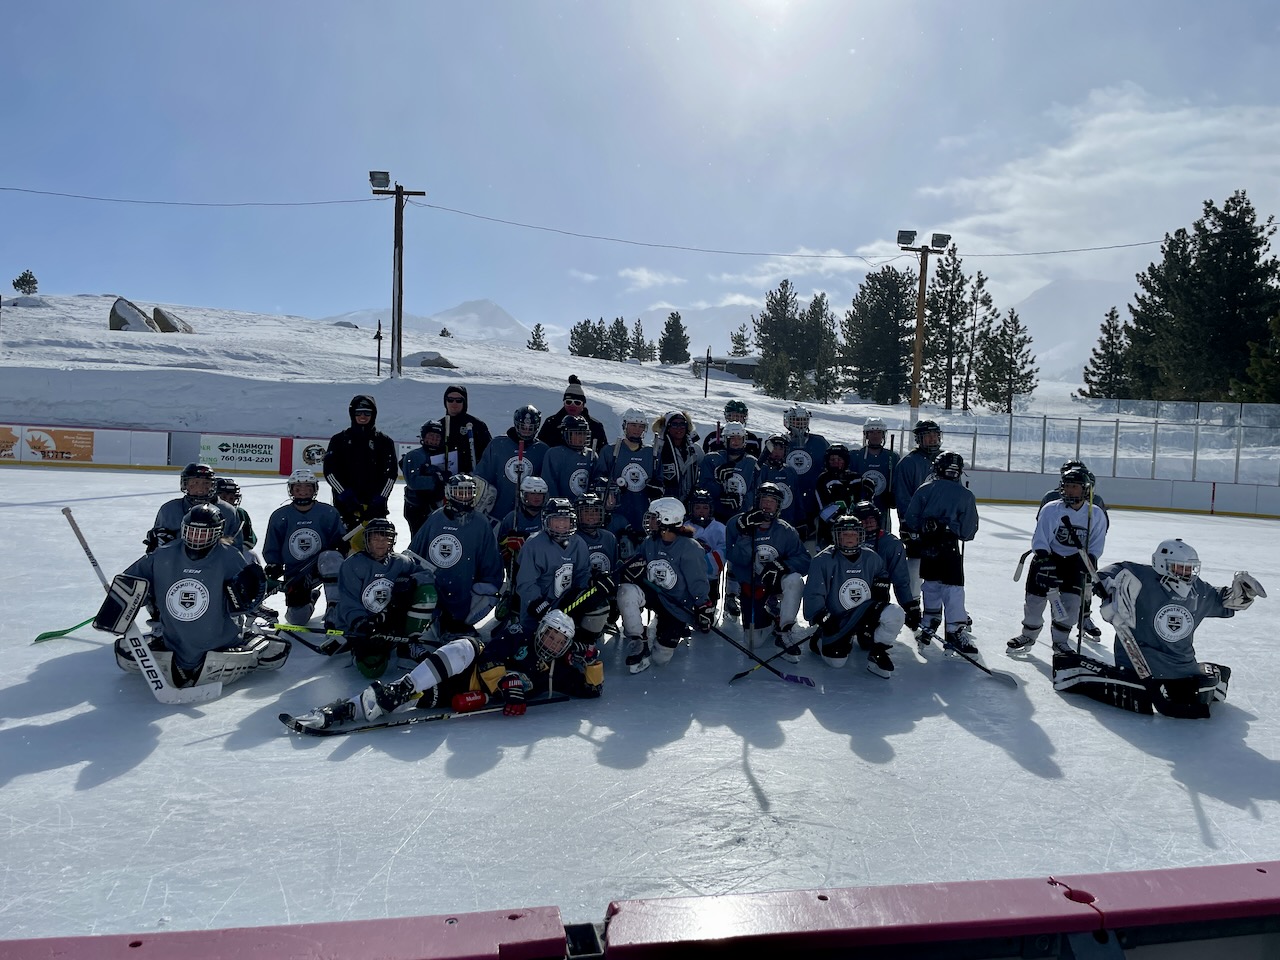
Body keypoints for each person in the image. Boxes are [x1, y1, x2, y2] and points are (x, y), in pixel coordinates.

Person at [1052, 540, 1266, 719]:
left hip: (1181, 668)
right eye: (1181, 568)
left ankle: (1210, 673)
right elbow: (1111, 572)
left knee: (1194, 696)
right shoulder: (1141, 577)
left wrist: (1241, 594)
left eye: (1190, 568)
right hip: (1136, 664)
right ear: (1163, 564)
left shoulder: (1198, 590)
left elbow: (1223, 601)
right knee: (1136, 691)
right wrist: (1110, 586)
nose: (1187, 574)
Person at [291, 609, 601, 730]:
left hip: (468, 693)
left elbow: (590, 690)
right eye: (550, 634)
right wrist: (504, 683)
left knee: (399, 702)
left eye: (560, 641)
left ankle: (346, 710)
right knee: (464, 646)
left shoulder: (557, 670)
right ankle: (405, 685)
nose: (552, 643)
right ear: (541, 630)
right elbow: (491, 654)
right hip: (470, 667)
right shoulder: (521, 633)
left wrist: (592, 663)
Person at [103, 503, 285, 689]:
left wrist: (250, 601)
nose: (196, 538)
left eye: (203, 533)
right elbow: (131, 582)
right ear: (183, 529)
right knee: (124, 650)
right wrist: (118, 605)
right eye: (192, 531)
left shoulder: (230, 557)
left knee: (277, 652)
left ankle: (242, 644)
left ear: (217, 533)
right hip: (172, 642)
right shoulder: (164, 553)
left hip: (221, 642)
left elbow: (249, 596)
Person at [1008, 464, 1108, 657]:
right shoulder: (1051, 509)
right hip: (1048, 558)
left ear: (1085, 490)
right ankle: (1028, 635)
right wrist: (1044, 560)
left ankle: (1060, 642)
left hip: (1075, 562)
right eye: (1067, 486)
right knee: (1035, 601)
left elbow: (1096, 543)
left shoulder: (1095, 514)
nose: (1069, 490)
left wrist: (1090, 561)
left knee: (1071, 604)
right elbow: (1041, 538)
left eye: (1074, 486)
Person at [331, 517, 437, 679]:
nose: (381, 543)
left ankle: (408, 644)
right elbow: (348, 602)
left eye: (385, 538)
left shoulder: (400, 561)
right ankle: (363, 648)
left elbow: (427, 575)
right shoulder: (352, 565)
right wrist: (361, 623)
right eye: (376, 538)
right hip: (364, 626)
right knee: (372, 669)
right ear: (367, 540)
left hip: (389, 620)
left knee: (426, 591)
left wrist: (412, 581)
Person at [616, 497, 712, 673]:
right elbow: (637, 563)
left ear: (666, 519)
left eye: (654, 517)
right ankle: (638, 639)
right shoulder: (650, 542)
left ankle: (674, 630)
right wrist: (630, 570)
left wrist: (702, 606)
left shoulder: (690, 547)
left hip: (676, 604)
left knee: (660, 659)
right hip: (654, 594)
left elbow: (697, 580)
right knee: (626, 591)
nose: (649, 521)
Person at [803, 514, 905, 677]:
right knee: (837, 662)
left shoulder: (871, 557)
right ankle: (819, 639)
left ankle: (878, 651)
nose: (849, 538)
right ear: (837, 536)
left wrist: (881, 584)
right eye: (845, 534)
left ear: (860, 536)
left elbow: (882, 574)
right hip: (837, 619)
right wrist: (821, 616)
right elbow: (813, 593)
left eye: (853, 534)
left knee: (895, 613)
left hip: (864, 613)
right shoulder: (822, 560)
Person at [901, 450, 979, 653]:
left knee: (931, 584)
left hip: (928, 546)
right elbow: (968, 531)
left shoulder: (925, 489)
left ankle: (929, 621)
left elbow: (911, 519)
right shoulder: (965, 495)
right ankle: (955, 630)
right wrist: (951, 526)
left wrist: (927, 526)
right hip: (949, 547)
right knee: (953, 588)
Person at [724, 482, 812, 662]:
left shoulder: (786, 530)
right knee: (754, 642)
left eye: (772, 501)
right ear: (757, 501)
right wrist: (746, 535)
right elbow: (736, 559)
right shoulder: (736, 523)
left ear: (778, 505)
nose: (767, 504)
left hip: (775, 584)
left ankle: (784, 629)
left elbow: (804, 560)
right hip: (752, 585)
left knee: (794, 580)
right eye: (764, 499)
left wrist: (782, 566)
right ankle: (772, 617)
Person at [407, 474, 504, 637]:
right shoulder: (436, 518)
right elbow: (414, 554)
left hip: (466, 592)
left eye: (468, 492)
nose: (464, 497)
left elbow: (491, 563)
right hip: (434, 590)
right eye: (460, 492)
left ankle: (459, 621)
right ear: (449, 493)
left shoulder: (481, 523)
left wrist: (488, 584)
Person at [262, 468, 348, 626]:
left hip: (321, 567)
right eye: (298, 487)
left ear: (315, 489)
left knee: (332, 557)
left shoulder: (328, 512)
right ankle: (311, 597)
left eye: (308, 487)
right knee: (297, 620)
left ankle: (334, 608)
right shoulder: (280, 515)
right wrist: (274, 564)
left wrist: (340, 545)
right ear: (291, 490)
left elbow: (340, 542)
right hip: (296, 572)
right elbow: (272, 544)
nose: (303, 491)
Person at [1038, 459, 1110, 638]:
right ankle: (1058, 620)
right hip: (1056, 552)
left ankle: (1085, 617)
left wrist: (1091, 554)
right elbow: (1042, 521)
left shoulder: (1095, 499)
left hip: (1083, 553)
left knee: (1085, 585)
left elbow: (1102, 526)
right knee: (1053, 587)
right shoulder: (1051, 497)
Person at [323, 395, 398, 539]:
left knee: (376, 546)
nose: (363, 416)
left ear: (373, 415)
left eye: (367, 413)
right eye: (359, 413)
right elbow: (330, 472)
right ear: (352, 414)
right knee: (345, 546)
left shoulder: (384, 441)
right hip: (345, 507)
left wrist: (379, 499)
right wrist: (346, 496)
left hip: (375, 509)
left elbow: (391, 474)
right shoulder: (339, 440)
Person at [513, 497, 592, 634]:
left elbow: (583, 574)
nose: (562, 523)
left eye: (566, 519)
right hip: (539, 612)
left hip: (567, 609)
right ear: (546, 521)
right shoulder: (534, 545)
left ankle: (585, 640)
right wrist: (538, 604)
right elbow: (526, 583)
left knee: (599, 607)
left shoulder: (579, 543)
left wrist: (583, 590)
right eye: (556, 519)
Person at [892, 420, 943, 611]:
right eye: (928, 436)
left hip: (942, 524)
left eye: (935, 435)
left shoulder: (946, 459)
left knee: (943, 565)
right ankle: (913, 603)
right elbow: (902, 496)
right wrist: (908, 522)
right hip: (917, 524)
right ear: (918, 439)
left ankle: (941, 604)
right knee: (915, 563)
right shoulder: (908, 463)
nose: (932, 439)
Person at [850, 499, 918, 633]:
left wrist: (909, 606)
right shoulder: (846, 541)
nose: (868, 523)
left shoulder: (891, 544)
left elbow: (900, 579)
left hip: (875, 602)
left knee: (869, 638)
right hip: (847, 599)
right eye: (863, 519)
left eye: (871, 518)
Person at [146, 462, 244, 555]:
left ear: (212, 485)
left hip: (215, 563)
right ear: (185, 484)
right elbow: (157, 547)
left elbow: (236, 548)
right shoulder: (169, 510)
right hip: (175, 562)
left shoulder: (228, 511)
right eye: (195, 483)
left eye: (206, 483)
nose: (200, 488)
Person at [474, 405, 548, 522]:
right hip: (496, 514)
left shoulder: (542, 450)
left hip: (528, 517)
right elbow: (482, 476)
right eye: (523, 427)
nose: (526, 431)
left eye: (530, 428)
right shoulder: (498, 445)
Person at [597, 409, 662, 534]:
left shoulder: (652, 454)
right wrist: (610, 489)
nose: (637, 429)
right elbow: (598, 479)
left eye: (641, 426)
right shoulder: (610, 451)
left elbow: (660, 482)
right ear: (625, 426)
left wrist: (656, 488)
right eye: (633, 425)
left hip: (643, 514)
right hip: (617, 514)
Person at [400, 420, 456, 536]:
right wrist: (437, 479)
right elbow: (413, 482)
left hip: (438, 506)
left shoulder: (445, 456)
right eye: (431, 436)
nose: (434, 439)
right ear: (424, 437)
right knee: (420, 540)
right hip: (417, 507)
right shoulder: (414, 455)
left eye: (437, 437)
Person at [781, 404, 828, 540]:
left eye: (803, 420)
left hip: (813, 498)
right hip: (789, 498)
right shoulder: (781, 442)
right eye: (796, 421)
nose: (800, 424)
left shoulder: (819, 442)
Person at [812, 444, 873, 547]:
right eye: (832, 459)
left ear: (846, 461)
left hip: (854, 533)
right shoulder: (823, 479)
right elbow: (824, 512)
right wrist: (844, 524)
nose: (836, 462)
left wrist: (869, 490)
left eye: (839, 459)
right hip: (829, 534)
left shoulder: (856, 478)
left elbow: (865, 504)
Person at [698, 422, 759, 523]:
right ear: (725, 439)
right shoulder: (711, 459)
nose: (736, 441)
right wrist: (717, 482)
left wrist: (742, 502)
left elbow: (756, 491)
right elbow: (702, 489)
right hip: (713, 517)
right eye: (732, 438)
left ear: (744, 440)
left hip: (741, 518)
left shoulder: (752, 463)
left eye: (739, 438)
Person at [850, 417, 900, 533]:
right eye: (872, 432)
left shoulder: (892, 457)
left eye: (878, 432)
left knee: (882, 537)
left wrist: (893, 496)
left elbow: (897, 482)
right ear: (866, 435)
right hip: (859, 509)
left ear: (883, 435)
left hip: (882, 509)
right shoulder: (856, 456)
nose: (875, 436)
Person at [537, 375, 608, 452]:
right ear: (564, 403)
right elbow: (540, 449)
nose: (572, 405)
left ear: (583, 405)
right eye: (568, 402)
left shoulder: (595, 426)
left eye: (577, 403)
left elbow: (603, 453)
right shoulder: (551, 423)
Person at [542, 415, 601, 501]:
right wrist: (556, 503)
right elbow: (549, 484)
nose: (581, 437)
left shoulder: (591, 455)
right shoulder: (555, 454)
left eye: (584, 433)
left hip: (586, 507)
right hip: (562, 506)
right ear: (565, 434)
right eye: (577, 433)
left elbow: (598, 481)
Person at [755, 434, 803, 530]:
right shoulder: (762, 470)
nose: (777, 452)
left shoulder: (790, 471)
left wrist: (801, 519)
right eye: (774, 448)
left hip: (788, 522)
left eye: (781, 449)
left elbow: (797, 498)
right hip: (765, 523)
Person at [440, 385, 493, 474]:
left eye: (459, 400)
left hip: (472, 476)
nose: (454, 403)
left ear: (464, 402)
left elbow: (489, 453)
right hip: (446, 476)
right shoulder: (439, 426)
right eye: (450, 400)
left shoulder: (477, 425)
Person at [652, 410, 702, 502]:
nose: (679, 428)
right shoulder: (658, 450)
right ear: (667, 427)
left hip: (690, 502)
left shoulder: (695, 449)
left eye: (682, 424)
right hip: (667, 502)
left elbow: (702, 473)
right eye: (674, 424)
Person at [214, 477, 258, 550]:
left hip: (233, 550)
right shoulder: (206, 511)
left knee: (251, 555)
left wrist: (233, 551)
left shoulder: (241, 513)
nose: (227, 502)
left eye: (231, 498)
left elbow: (250, 540)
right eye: (223, 497)